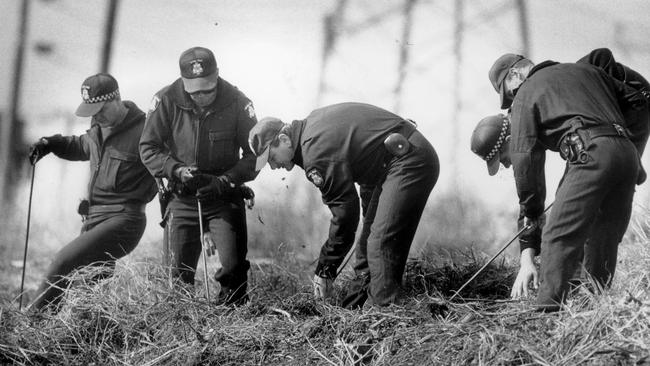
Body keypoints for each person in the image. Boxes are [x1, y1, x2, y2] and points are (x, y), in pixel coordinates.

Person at [485, 53, 647, 311]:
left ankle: (546, 313)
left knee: (558, 234)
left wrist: (533, 211)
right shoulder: (588, 73)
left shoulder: (526, 93)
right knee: (603, 235)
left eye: (509, 92)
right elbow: (639, 101)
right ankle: (593, 308)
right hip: (624, 154)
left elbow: (526, 160)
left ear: (515, 75)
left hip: (592, 155)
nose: (512, 98)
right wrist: (631, 153)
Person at [248, 102, 439, 308]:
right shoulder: (310, 130)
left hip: (408, 159)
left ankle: (384, 317)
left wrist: (325, 269)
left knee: (379, 244)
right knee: (368, 245)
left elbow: (346, 216)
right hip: (391, 163)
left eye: (272, 158)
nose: (275, 167)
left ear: (284, 139)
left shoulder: (314, 150)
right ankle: (353, 311)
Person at [27, 73, 157, 312]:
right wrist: (50, 143)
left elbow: (165, 168)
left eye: (100, 110)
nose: (95, 116)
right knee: (90, 288)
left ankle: (31, 323)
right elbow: (80, 145)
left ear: (116, 99)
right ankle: (81, 334)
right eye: (92, 112)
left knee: (63, 260)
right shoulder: (98, 128)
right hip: (94, 218)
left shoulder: (146, 130)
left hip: (125, 218)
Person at [139, 46, 257, 306]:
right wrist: (176, 170)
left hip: (224, 196)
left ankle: (231, 321)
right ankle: (182, 329)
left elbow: (255, 155)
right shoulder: (165, 100)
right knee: (176, 277)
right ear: (183, 82)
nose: (202, 96)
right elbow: (148, 148)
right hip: (182, 197)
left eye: (208, 89)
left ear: (217, 75)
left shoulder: (239, 102)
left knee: (234, 269)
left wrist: (225, 181)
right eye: (195, 91)